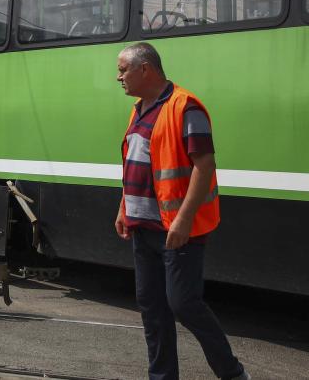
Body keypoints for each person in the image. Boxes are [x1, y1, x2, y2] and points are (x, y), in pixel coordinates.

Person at [113, 42, 248, 380]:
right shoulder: (139, 108)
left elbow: (205, 165)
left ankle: (232, 373)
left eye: (123, 69)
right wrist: (123, 207)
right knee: (153, 311)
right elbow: (135, 162)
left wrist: (185, 219)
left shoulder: (185, 107)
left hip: (176, 229)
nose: (119, 77)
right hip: (143, 228)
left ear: (145, 69)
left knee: (183, 304)